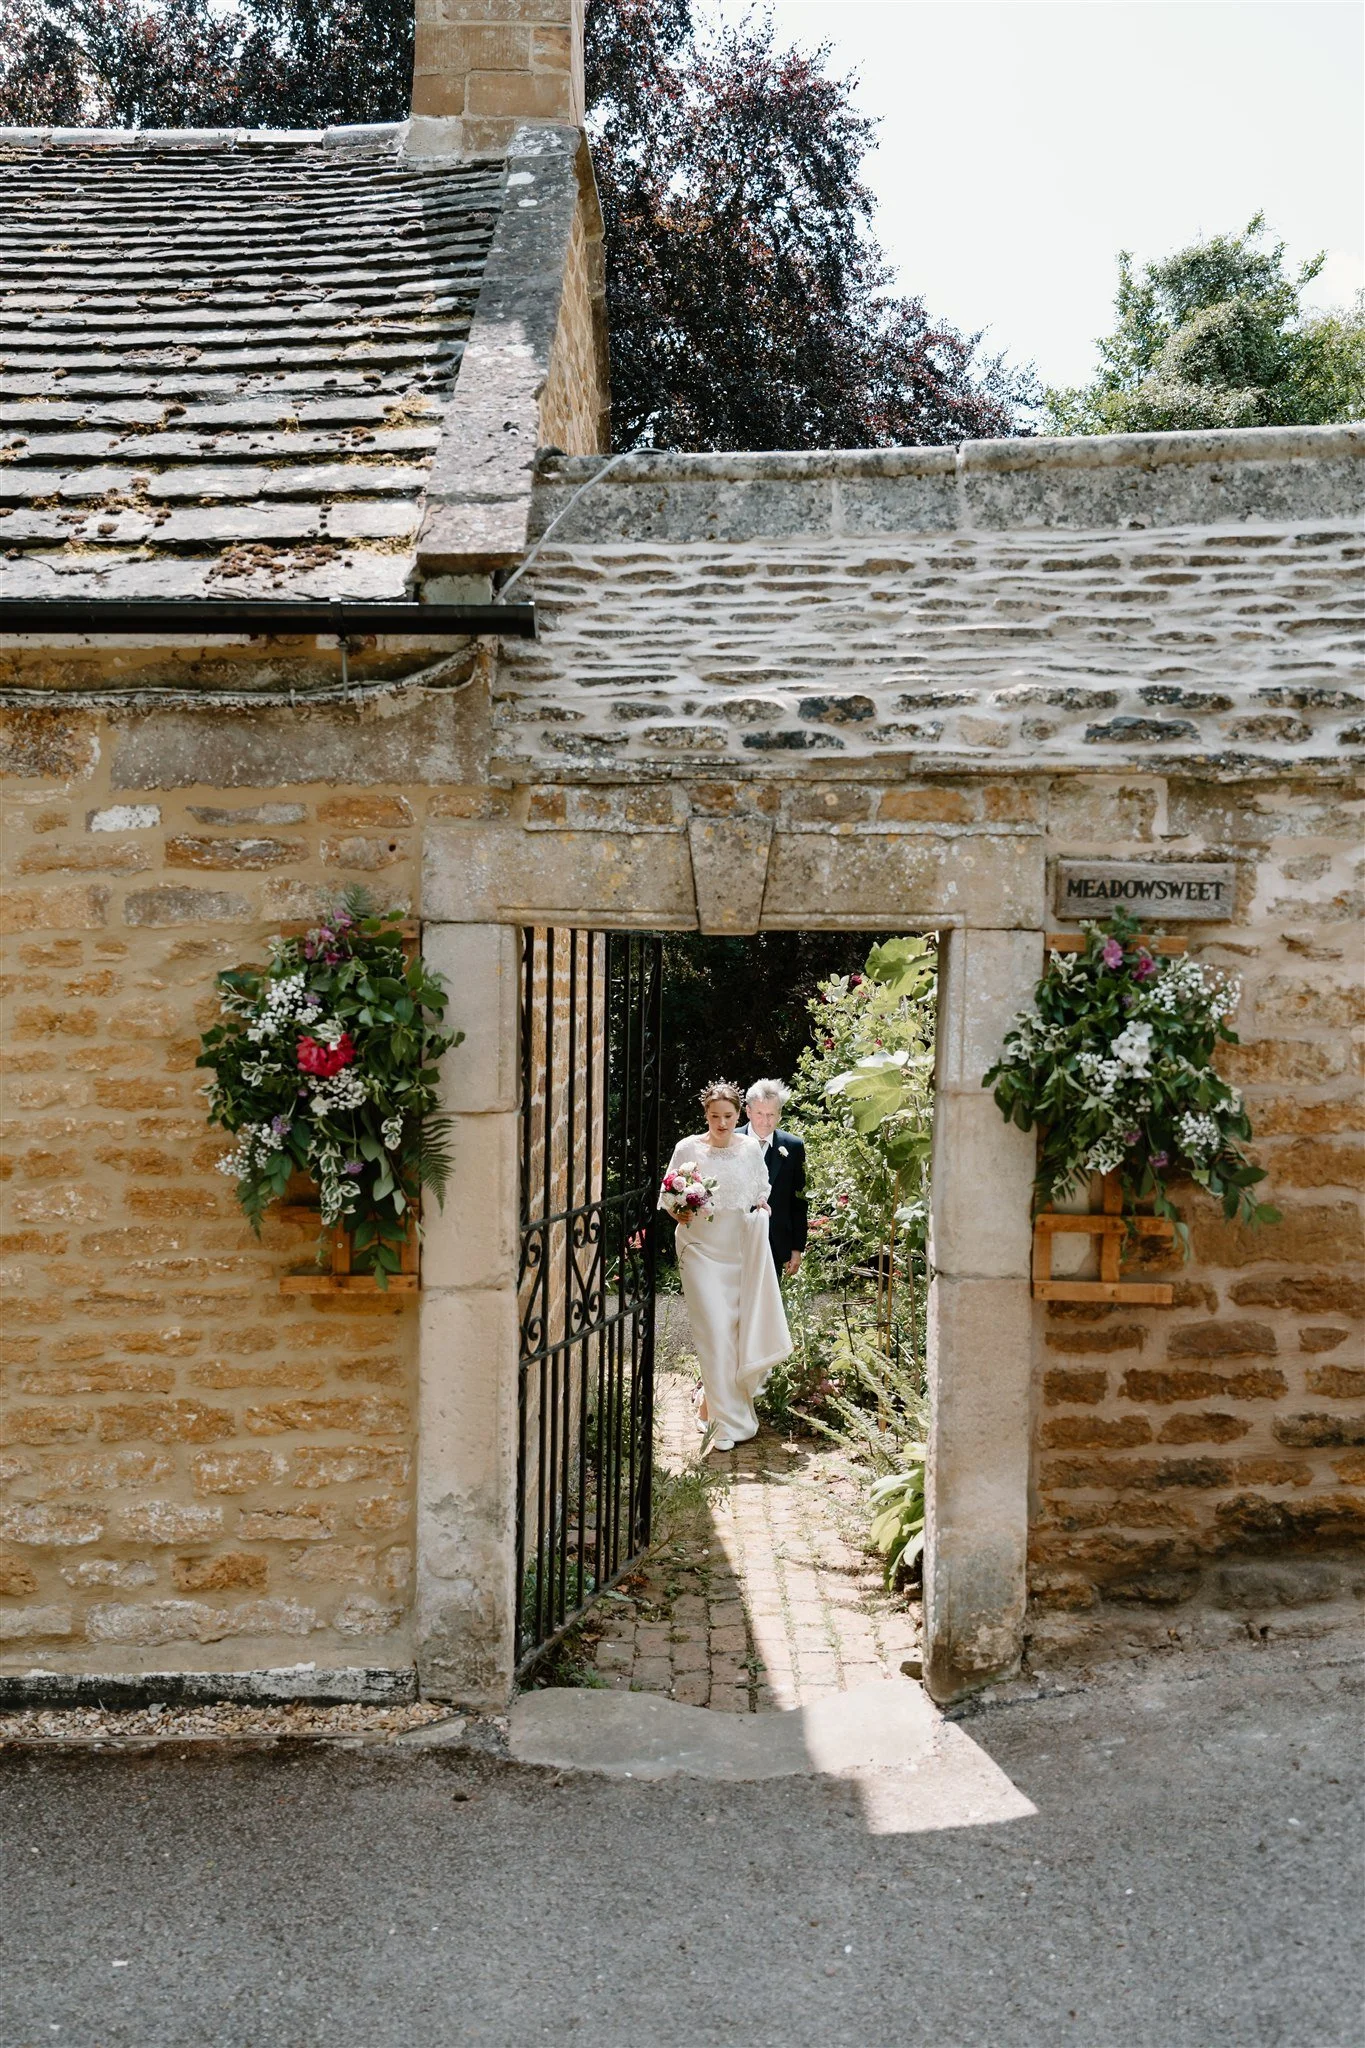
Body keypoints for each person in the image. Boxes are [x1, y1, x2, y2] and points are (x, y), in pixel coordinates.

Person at [660, 1080, 792, 1453]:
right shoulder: (687, 1147)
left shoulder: (750, 1148)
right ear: (705, 1114)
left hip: (737, 1249)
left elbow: (760, 1190)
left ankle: (713, 1407)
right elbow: (668, 1196)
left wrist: (762, 1208)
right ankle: (722, 1424)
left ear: (739, 1115)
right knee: (714, 1330)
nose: (721, 1123)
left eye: (728, 1116)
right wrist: (680, 1207)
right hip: (699, 1248)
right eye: (714, 1116)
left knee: (732, 1333)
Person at [739, 1079, 808, 1279]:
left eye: (771, 1114)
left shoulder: (793, 1146)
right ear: (748, 1111)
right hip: (734, 1239)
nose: (765, 1121)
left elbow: (798, 1200)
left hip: (775, 1243)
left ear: (779, 1114)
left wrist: (796, 1247)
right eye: (760, 1113)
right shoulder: (730, 1141)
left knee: (768, 1307)